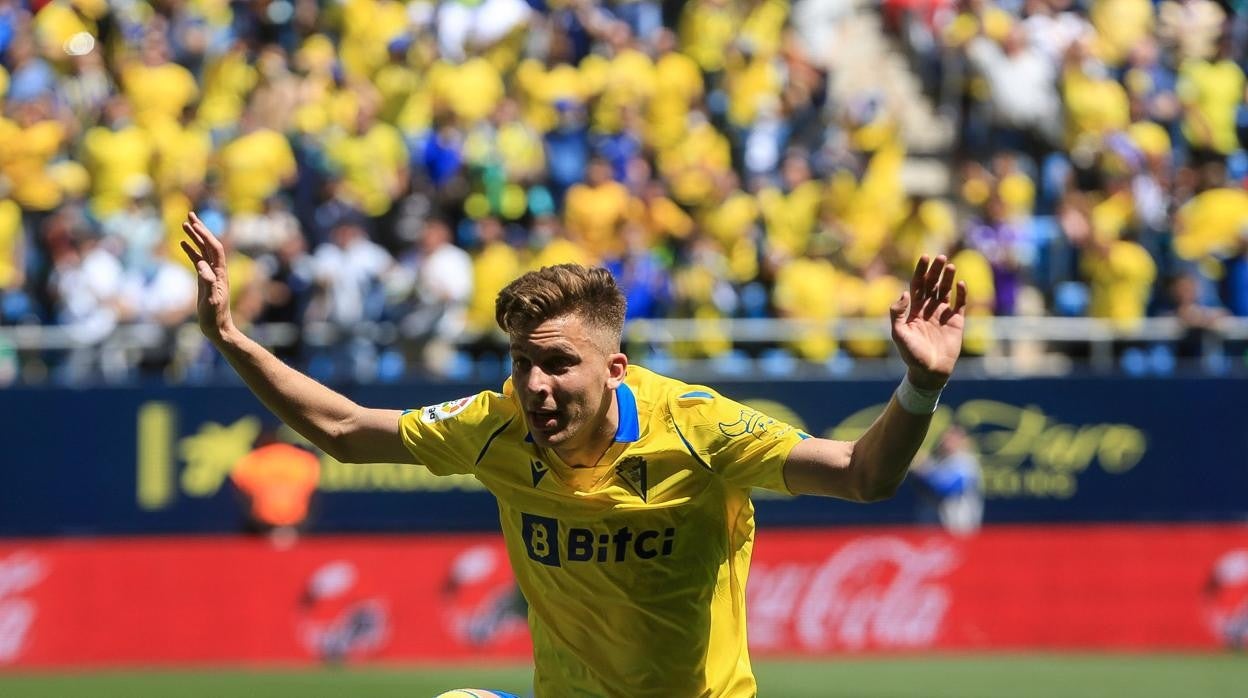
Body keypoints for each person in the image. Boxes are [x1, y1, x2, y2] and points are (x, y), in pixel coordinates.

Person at [179, 210, 968, 697]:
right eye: (522, 361)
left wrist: (921, 389)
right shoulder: (494, 425)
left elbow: (866, 476)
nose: (536, 385)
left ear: (614, 368)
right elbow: (346, 429)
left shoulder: (697, 428)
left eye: (558, 364)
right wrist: (230, 337)